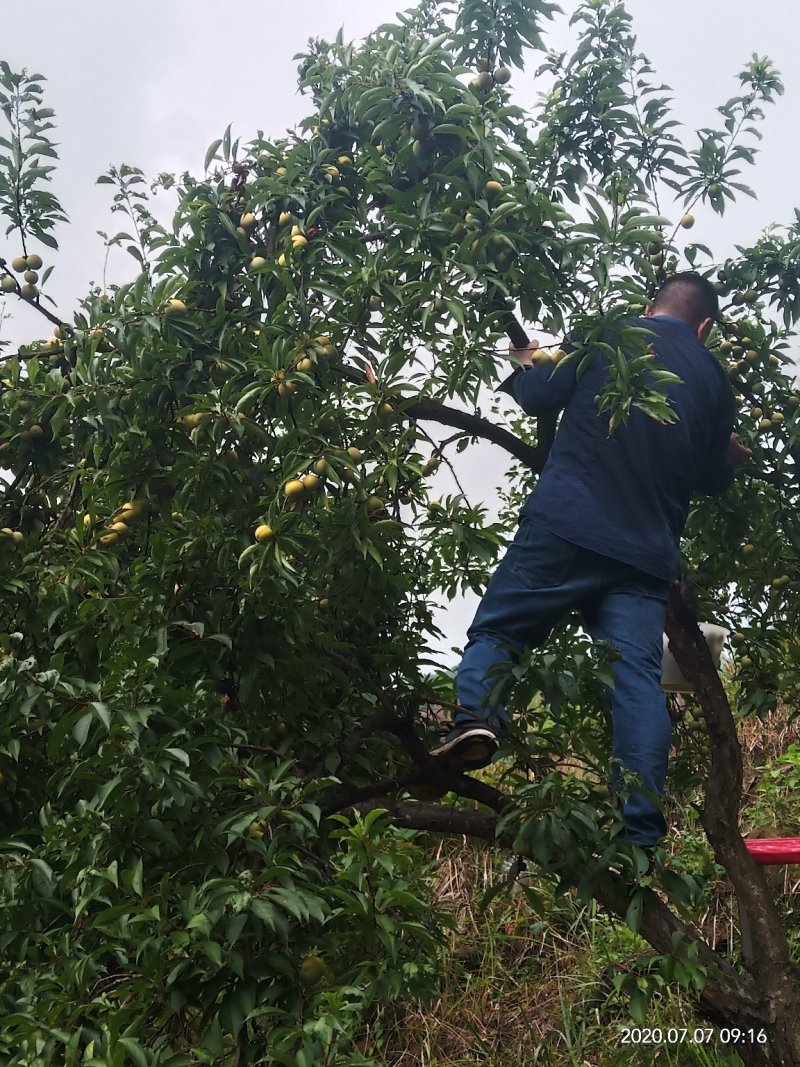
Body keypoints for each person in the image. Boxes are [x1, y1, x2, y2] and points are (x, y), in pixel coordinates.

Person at [431, 273, 752, 848]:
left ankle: (476, 720)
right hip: (643, 559)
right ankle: (641, 831)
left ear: (651, 306)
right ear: (703, 327)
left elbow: (537, 395)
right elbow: (712, 479)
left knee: (501, 630)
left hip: (566, 527)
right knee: (636, 681)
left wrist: (527, 360)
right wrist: (731, 456)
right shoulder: (713, 382)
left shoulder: (612, 333)